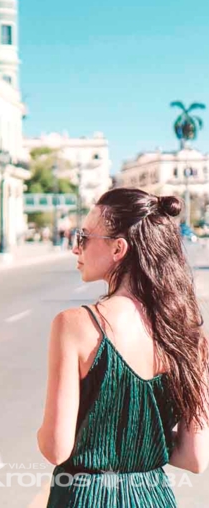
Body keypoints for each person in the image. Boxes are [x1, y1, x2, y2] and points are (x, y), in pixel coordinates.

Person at [38, 188, 209, 506]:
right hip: (154, 497)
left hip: (84, 496)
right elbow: (195, 457)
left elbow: (55, 448)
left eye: (84, 236)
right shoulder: (190, 337)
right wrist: (140, 439)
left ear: (118, 248)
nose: (77, 248)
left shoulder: (76, 325)